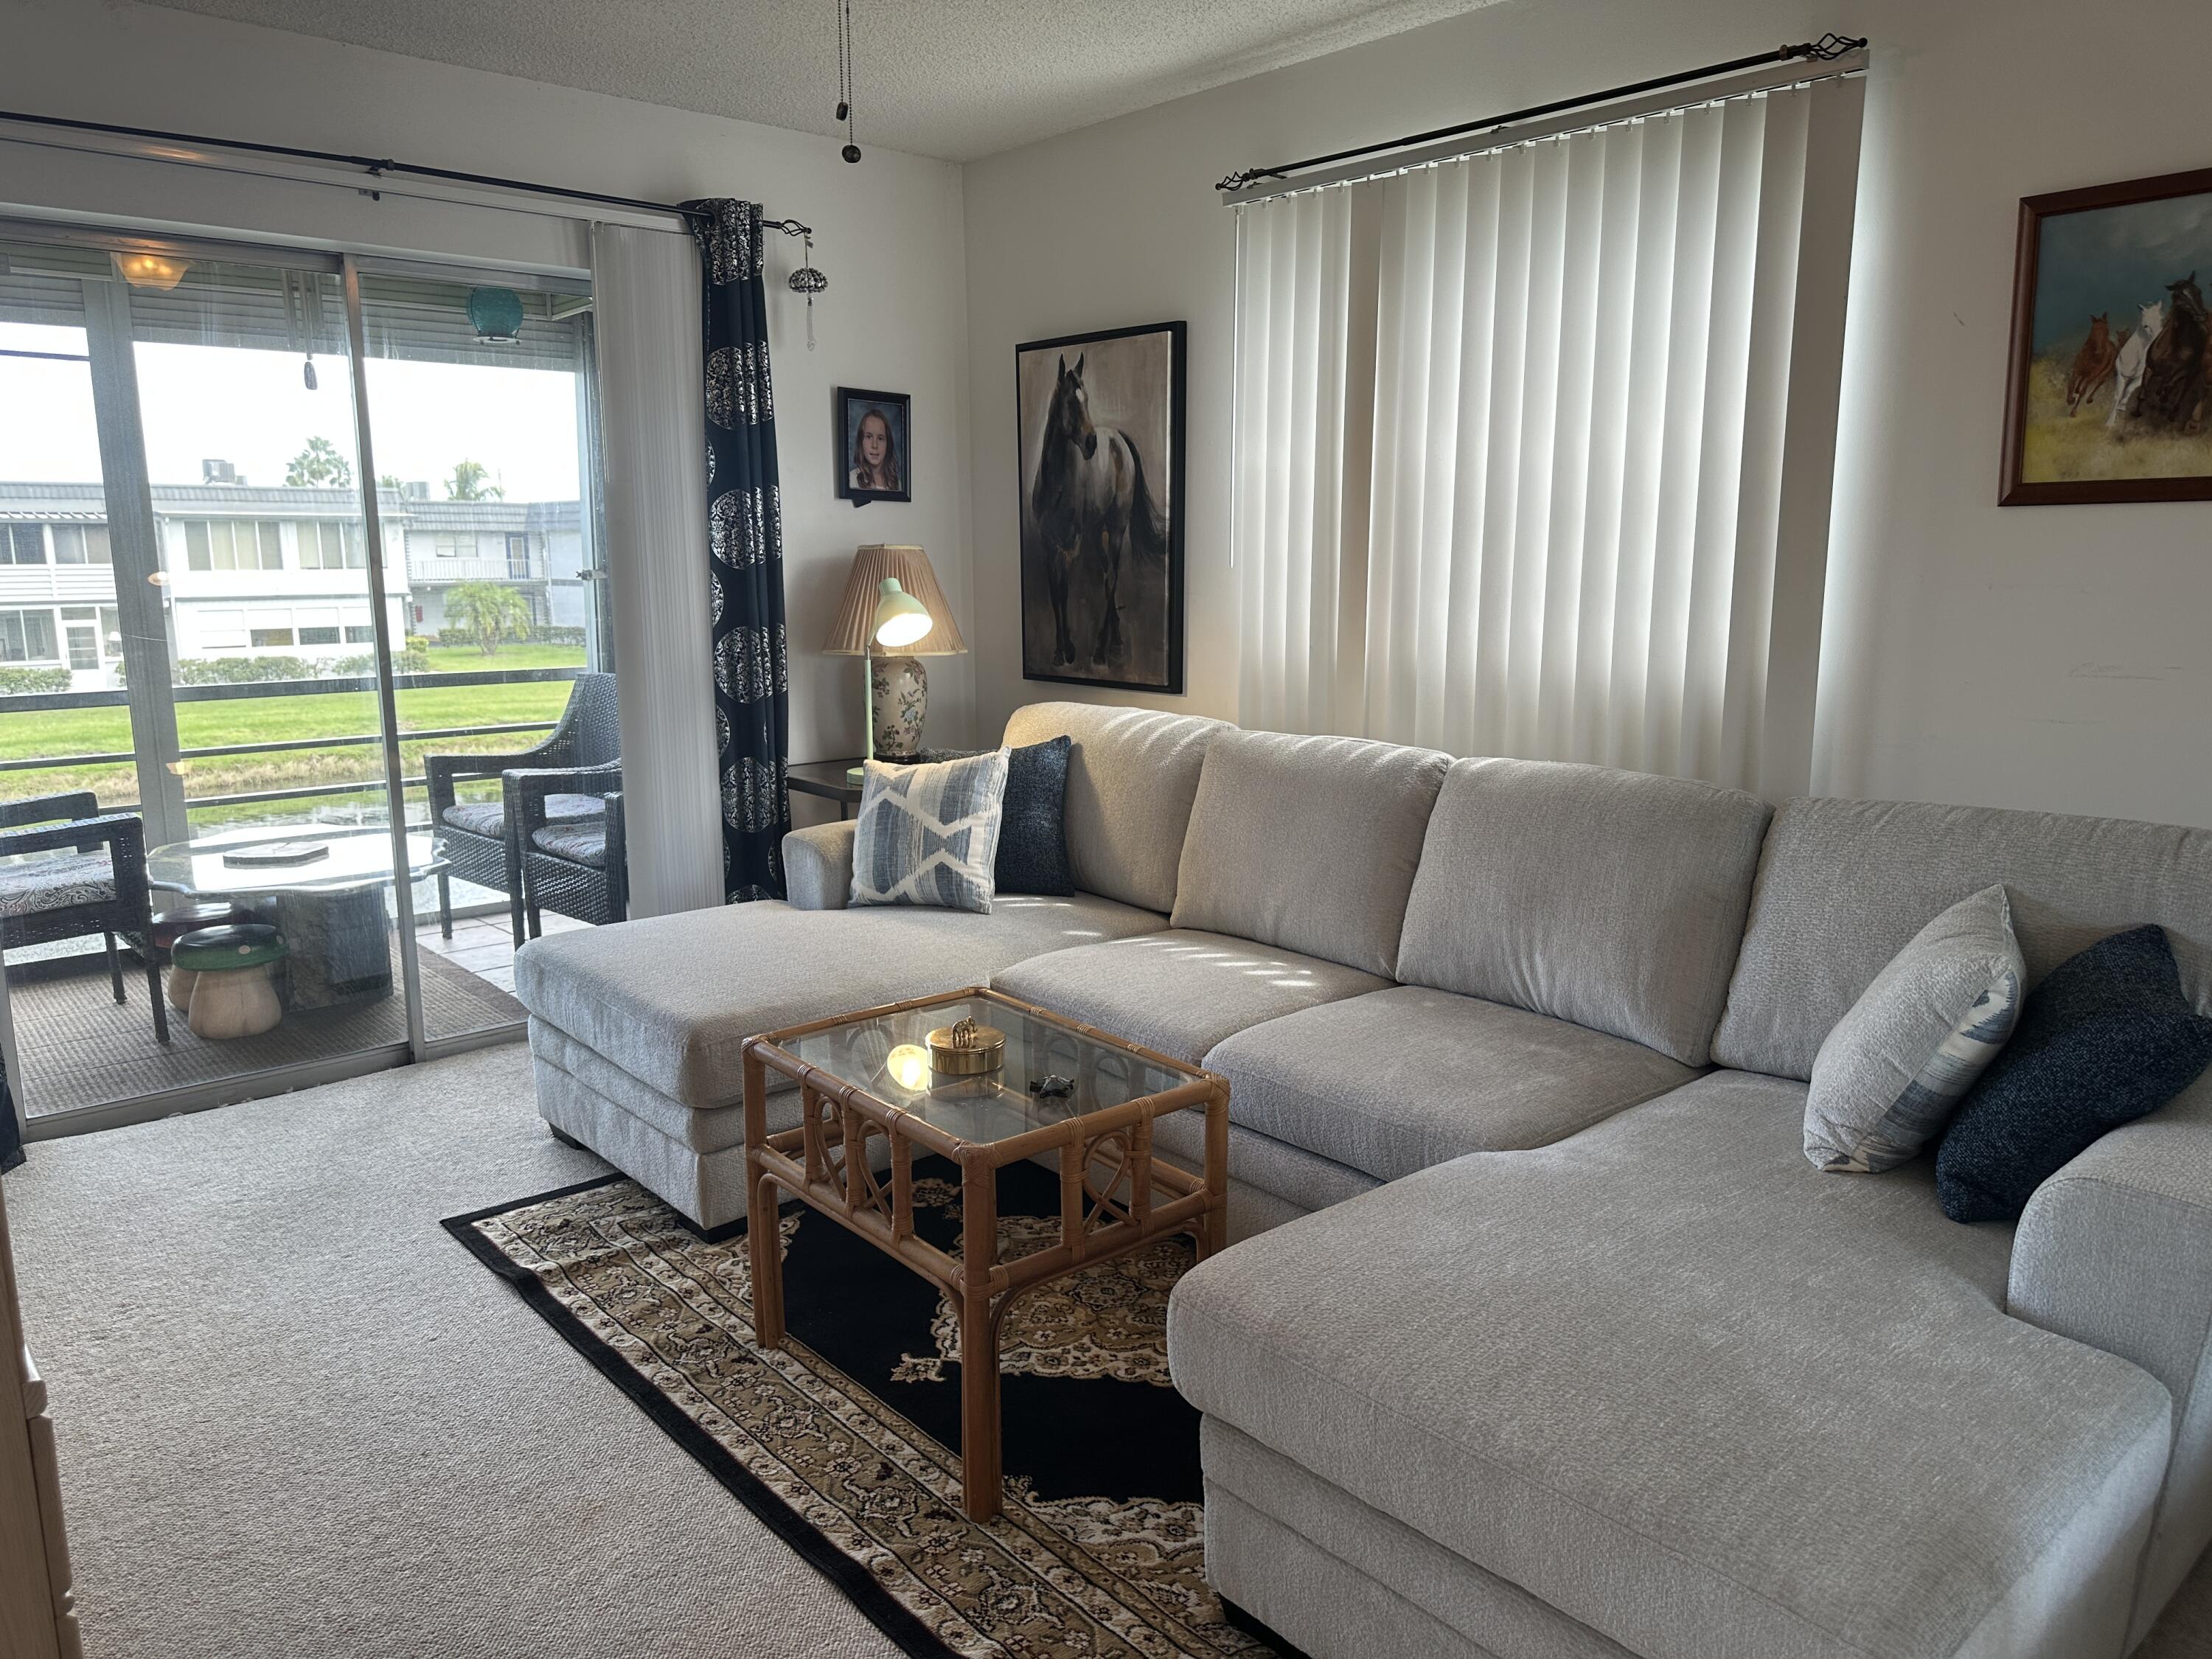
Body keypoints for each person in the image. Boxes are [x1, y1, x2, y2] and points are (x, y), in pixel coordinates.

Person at [849, 406, 902, 493]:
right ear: (861, 441)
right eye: (869, 437)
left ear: (888, 444)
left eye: (880, 439)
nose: (874, 445)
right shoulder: (852, 479)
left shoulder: (897, 484)